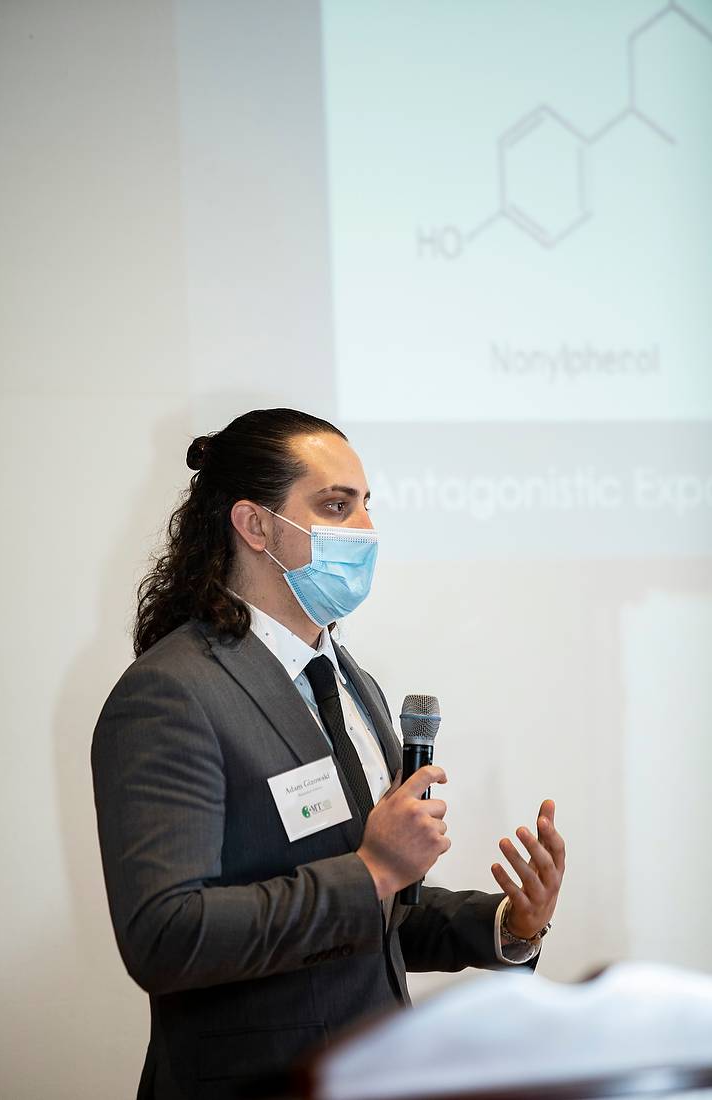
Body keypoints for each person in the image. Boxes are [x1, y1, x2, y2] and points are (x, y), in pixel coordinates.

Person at [91, 408, 566, 1100]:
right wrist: (373, 869)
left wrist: (508, 926)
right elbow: (166, 939)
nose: (365, 529)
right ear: (255, 525)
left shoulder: (351, 683)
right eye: (337, 506)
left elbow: (375, 917)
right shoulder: (171, 694)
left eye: (367, 505)